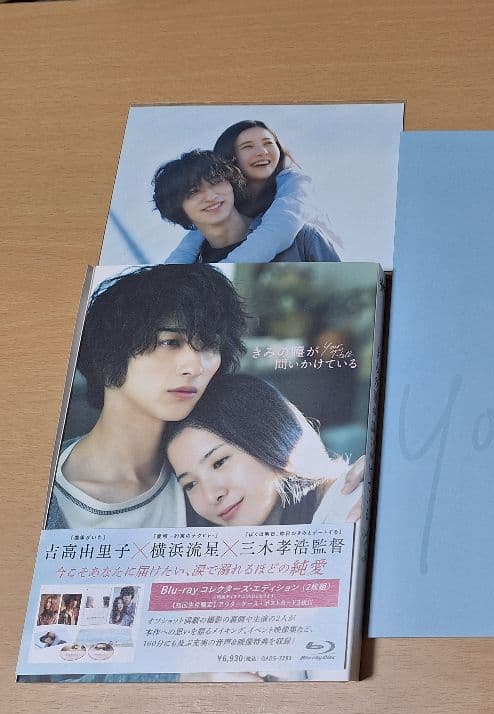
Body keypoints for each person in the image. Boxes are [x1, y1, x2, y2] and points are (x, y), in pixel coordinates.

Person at [46, 264, 248, 530]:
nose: (194, 367)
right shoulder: (37, 485)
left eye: (210, 344)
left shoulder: (220, 479)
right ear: (111, 350)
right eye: (170, 342)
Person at [163, 374, 359, 526]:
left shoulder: (352, 507)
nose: (211, 496)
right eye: (190, 484)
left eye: (219, 462)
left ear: (268, 437)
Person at [164, 120, 341, 264]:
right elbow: (192, 239)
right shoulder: (206, 229)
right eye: (248, 146)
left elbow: (278, 230)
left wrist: (219, 272)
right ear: (229, 160)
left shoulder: (294, 186)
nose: (262, 152)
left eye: (268, 143)